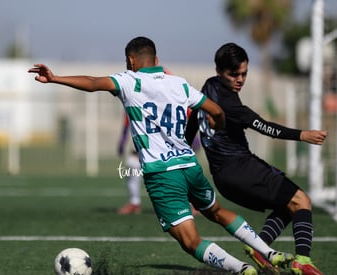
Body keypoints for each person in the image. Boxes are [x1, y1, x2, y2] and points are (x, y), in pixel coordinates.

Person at [28, 36, 290, 274]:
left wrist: (55, 78)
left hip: (163, 175)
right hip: (190, 166)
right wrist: (218, 125)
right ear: (157, 60)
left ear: (131, 61)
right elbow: (217, 111)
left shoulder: (129, 81)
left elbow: (94, 83)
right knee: (218, 212)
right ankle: (269, 252)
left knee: (190, 241)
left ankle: (241, 269)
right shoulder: (179, 84)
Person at [185, 42, 327, 275]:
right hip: (242, 170)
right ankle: (302, 261)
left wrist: (186, 156)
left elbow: (191, 125)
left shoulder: (208, 86)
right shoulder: (229, 104)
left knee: (287, 204)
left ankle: (260, 249)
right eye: (234, 74)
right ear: (219, 70)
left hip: (224, 179)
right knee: (302, 201)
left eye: (244, 73)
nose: (240, 79)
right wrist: (303, 135)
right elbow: (264, 127)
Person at [116, 112, 143, 214]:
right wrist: (122, 143)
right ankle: (134, 203)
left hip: (160, 150)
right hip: (139, 150)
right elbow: (126, 127)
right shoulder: (132, 103)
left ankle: (188, 204)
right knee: (132, 164)